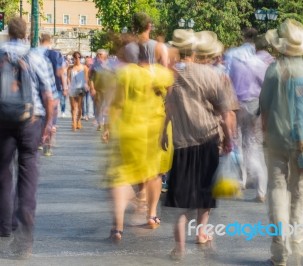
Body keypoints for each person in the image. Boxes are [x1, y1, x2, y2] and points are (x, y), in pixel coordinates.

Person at [163, 29, 235, 260]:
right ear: (194, 50)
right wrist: (229, 139)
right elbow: (225, 113)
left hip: (182, 143)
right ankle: (202, 232)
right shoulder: (211, 75)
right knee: (205, 194)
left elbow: (168, 108)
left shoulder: (172, 77)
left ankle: (179, 247)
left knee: (183, 202)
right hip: (207, 140)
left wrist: (163, 132)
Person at [259, 19, 303, 266]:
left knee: (277, 190)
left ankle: (279, 252)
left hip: (275, 139)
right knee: (300, 192)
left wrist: (266, 134)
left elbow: (263, 107)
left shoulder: (273, 70)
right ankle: (297, 246)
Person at [104, 45, 174, 241]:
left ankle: (117, 228)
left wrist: (109, 127)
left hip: (130, 128)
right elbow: (171, 103)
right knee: (155, 173)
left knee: (121, 176)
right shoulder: (163, 74)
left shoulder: (125, 73)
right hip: (156, 129)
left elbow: (117, 103)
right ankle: (151, 215)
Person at [0, 17, 54, 258]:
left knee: (3, 173)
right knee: (28, 175)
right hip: (30, 120)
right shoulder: (35, 57)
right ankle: (25, 237)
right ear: (25, 34)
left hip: (2, 120)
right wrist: (48, 125)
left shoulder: (0, 54)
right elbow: (48, 94)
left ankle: (4, 225)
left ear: (8, 33)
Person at [225, 28, 269, 202]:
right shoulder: (259, 61)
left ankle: (242, 179)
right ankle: (261, 190)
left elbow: (226, 79)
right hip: (254, 104)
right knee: (255, 145)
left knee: (239, 143)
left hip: (236, 104)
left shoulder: (231, 55)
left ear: (242, 36)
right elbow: (265, 85)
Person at [39, 33, 68, 155]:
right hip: (55, 89)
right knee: (52, 119)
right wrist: (65, 87)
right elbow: (60, 72)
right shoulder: (56, 55)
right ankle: (48, 145)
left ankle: (40, 142)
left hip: (40, 90)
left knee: (41, 117)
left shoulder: (37, 53)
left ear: (41, 40)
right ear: (50, 41)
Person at [67, 51, 89, 131]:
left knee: (79, 107)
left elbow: (86, 78)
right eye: (75, 57)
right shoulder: (70, 68)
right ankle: (73, 122)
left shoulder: (84, 68)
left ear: (81, 58)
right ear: (73, 58)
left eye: (79, 57)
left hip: (81, 88)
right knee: (73, 107)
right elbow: (68, 78)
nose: (77, 59)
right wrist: (68, 86)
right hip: (72, 89)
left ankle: (78, 121)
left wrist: (87, 85)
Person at [89, 49, 110, 131]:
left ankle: (106, 123)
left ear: (105, 56)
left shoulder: (110, 66)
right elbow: (91, 79)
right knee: (98, 107)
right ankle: (100, 123)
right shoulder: (94, 66)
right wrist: (92, 88)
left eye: (100, 54)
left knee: (107, 107)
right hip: (98, 90)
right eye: (98, 54)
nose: (98, 56)